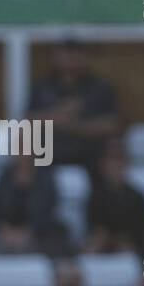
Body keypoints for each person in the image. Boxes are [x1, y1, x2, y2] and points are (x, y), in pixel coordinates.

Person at [26, 38, 119, 186]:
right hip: (50, 150)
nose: (69, 61)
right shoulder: (42, 86)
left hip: (89, 150)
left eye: (74, 56)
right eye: (65, 56)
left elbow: (111, 124)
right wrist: (55, 116)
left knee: (106, 170)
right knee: (33, 170)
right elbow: (28, 121)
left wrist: (76, 126)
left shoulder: (98, 88)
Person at [85, 139, 144, 254]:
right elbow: (95, 230)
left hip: (131, 248)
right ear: (102, 164)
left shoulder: (138, 198)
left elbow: (142, 235)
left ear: (126, 163)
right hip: (102, 245)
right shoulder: (95, 196)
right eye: (111, 159)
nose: (115, 165)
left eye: (119, 159)